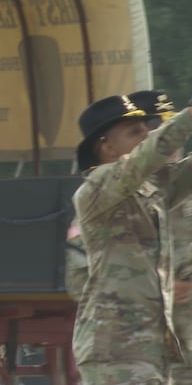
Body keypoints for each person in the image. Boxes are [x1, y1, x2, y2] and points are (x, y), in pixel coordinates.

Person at [72, 93, 192, 384]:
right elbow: (150, 154)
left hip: (150, 349)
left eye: (146, 129)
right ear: (108, 147)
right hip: (114, 349)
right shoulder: (97, 187)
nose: (146, 135)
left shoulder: (150, 190)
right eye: (134, 132)